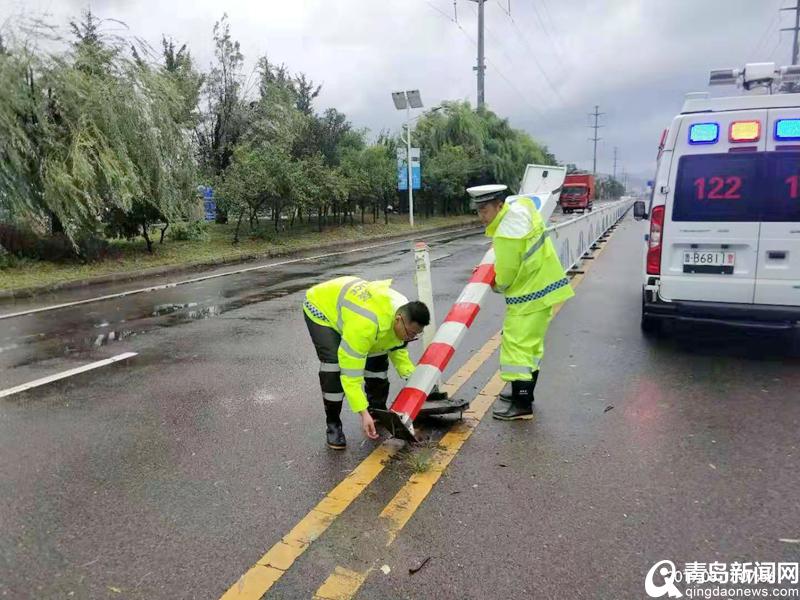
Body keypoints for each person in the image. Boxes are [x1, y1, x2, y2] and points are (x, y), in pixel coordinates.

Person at [466, 184, 574, 420]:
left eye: (485, 210)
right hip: (543, 288)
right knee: (531, 347)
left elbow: (505, 276)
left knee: (517, 348)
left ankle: (522, 403)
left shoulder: (507, 231)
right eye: (478, 211)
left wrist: (493, 283)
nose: (481, 216)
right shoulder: (520, 208)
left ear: (499, 205)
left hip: (528, 297)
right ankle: (523, 394)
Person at [303, 276, 430, 449]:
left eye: (415, 335)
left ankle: (376, 410)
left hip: (353, 304)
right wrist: (362, 412)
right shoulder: (365, 325)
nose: (411, 338)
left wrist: (418, 384)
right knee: (333, 367)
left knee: (378, 358)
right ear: (399, 319)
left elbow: (397, 349)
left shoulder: (402, 310)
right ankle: (333, 425)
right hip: (322, 307)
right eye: (410, 333)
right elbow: (350, 374)